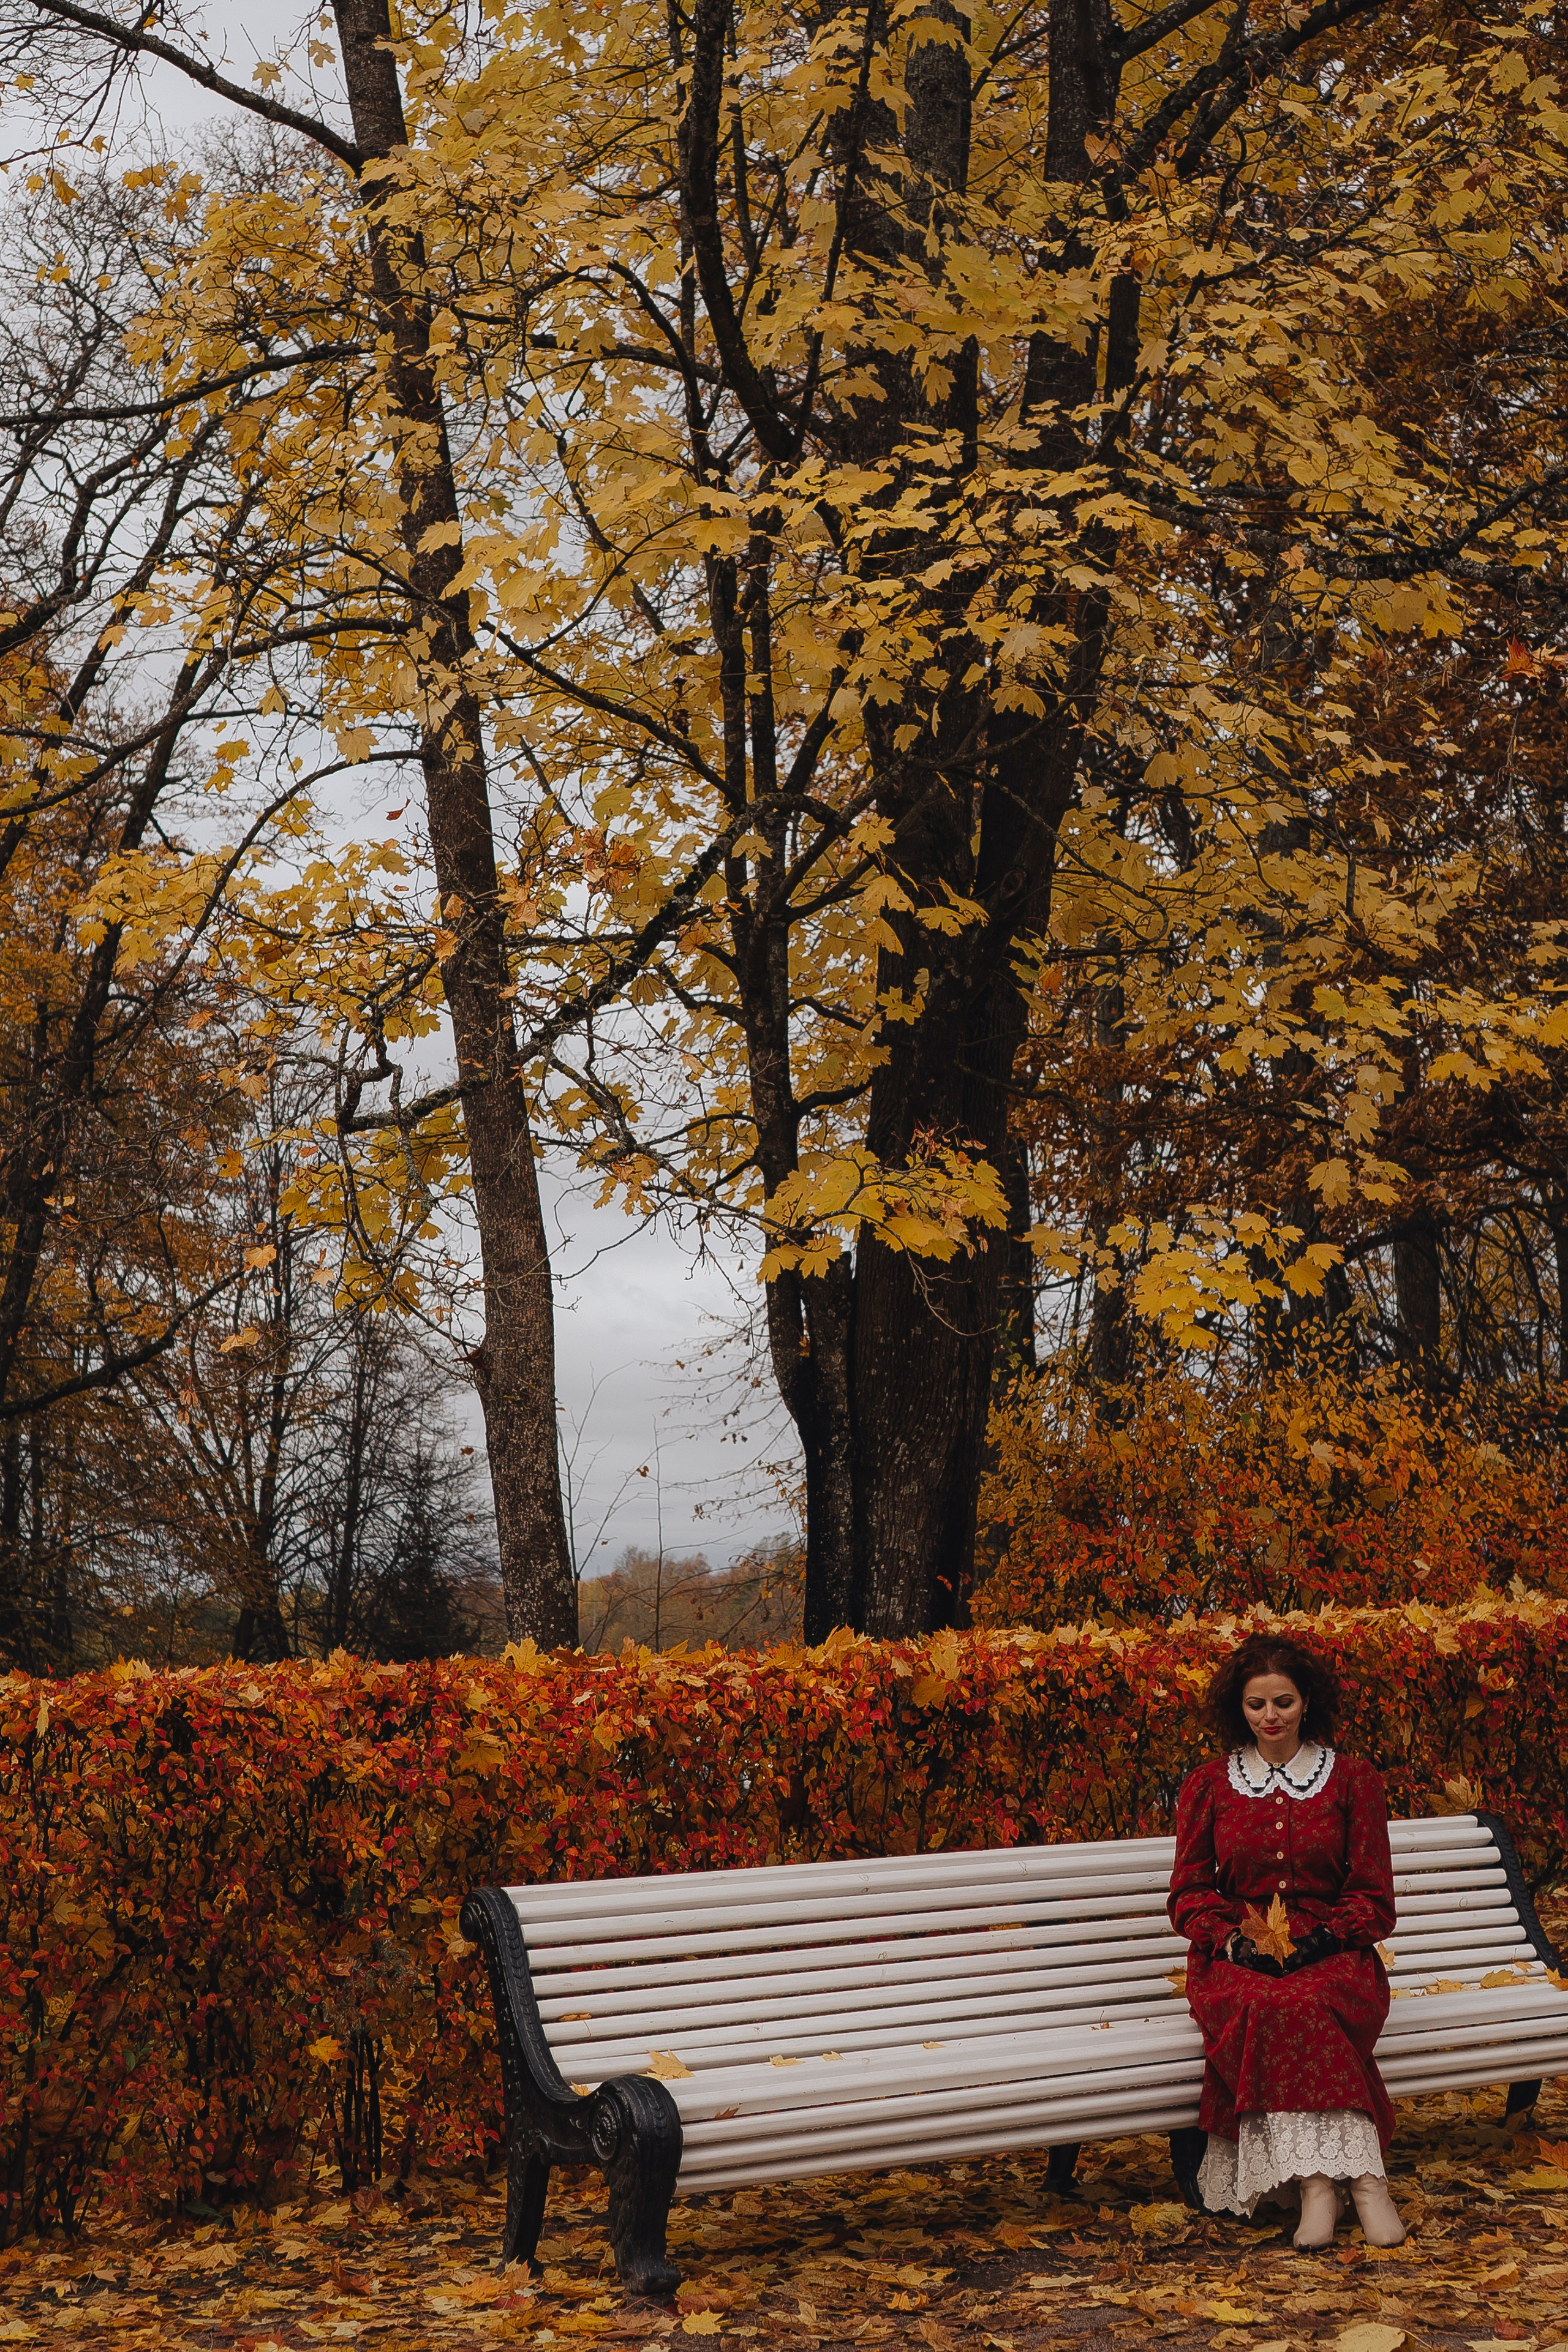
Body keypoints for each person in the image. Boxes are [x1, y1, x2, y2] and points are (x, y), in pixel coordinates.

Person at [1167, 1633, 1407, 2250]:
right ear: (1238, 1708)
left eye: (1283, 1702)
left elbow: (1374, 1896)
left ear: (1307, 1703)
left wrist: (1326, 1939)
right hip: (1235, 1955)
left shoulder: (1353, 1780)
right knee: (1269, 2001)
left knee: (1306, 1999)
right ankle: (1329, 2185)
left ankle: (1354, 2184)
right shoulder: (1209, 1785)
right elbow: (1188, 1893)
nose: (1270, 1716)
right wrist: (1228, 1941)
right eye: (1256, 1705)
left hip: (1334, 1951)